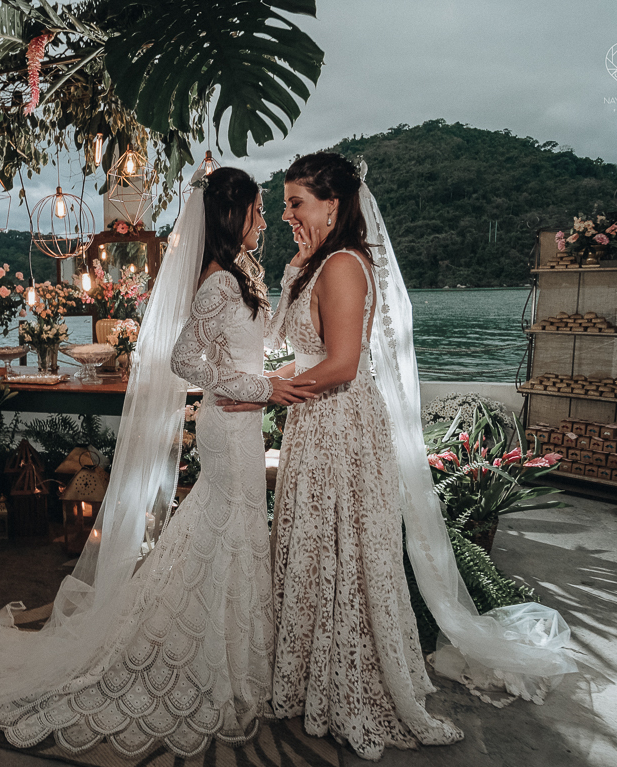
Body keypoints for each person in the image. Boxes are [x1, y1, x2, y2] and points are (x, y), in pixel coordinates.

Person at [0, 167, 315, 758]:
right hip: (231, 426)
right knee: (228, 529)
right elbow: (183, 357)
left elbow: (248, 346)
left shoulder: (241, 274)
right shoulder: (216, 282)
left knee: (233, 530)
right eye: (255, 211)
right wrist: (258, 388)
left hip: (243, 421)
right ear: (232, 217)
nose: (261, 222)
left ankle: (232, 647)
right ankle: (203, 650)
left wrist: (265, 371)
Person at [221, 152, 576, 760]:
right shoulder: (318, 263)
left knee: (341, 547)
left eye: (295, 203)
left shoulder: (343, 266)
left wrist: (275, 390)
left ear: (332, 204)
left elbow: (342, 365)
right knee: (316, 541)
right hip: (317, 421)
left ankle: (345, 681)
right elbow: (300, 346)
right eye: (282, 205)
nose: (285, 215)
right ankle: (310, 674)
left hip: (338, 424)